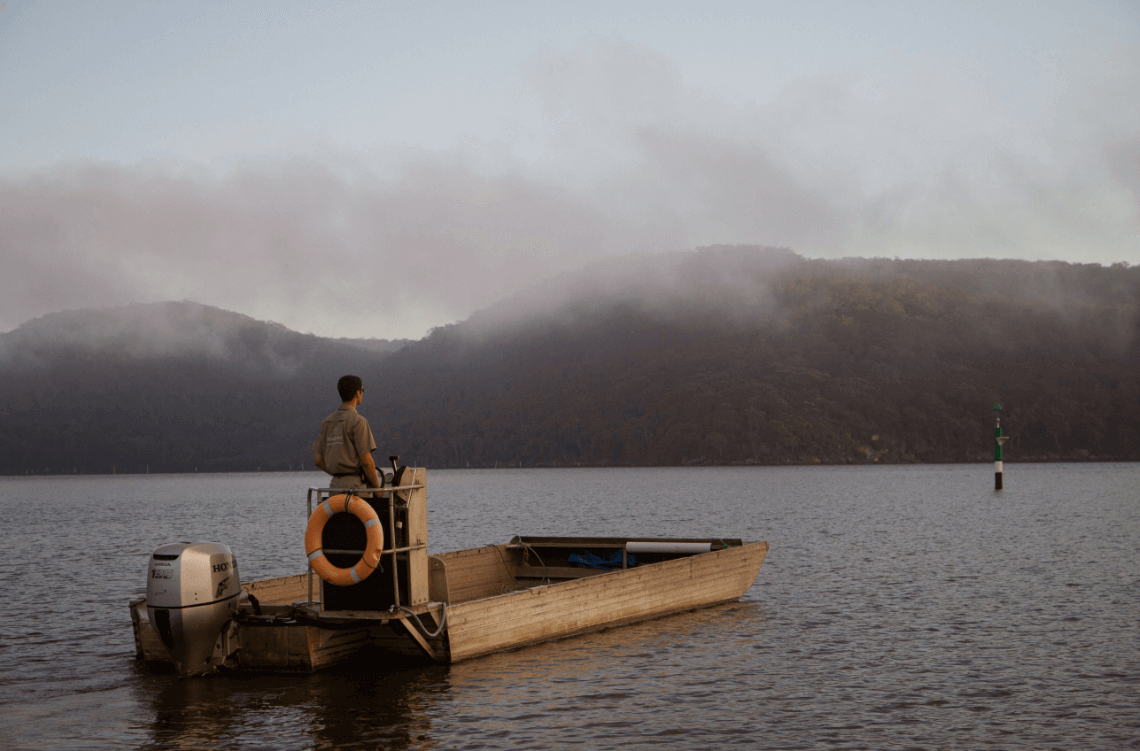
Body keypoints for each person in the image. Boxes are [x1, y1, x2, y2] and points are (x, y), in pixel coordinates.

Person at [313, 375, 382, 490]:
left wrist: (338, 474)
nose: (362, 393)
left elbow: (318, 460)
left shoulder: (327, 422)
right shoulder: (359, 422)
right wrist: (377, 490)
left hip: (334, 485)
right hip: (356, 486)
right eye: (362, 390)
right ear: (357, 393)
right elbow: (366, 462)